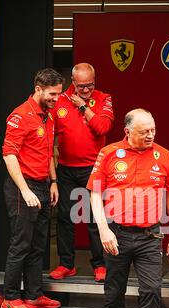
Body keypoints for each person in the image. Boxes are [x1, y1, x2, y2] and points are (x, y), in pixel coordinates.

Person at [87, 109, 169, 308]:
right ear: (128, 131)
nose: (150, 135)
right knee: (113, 291)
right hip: (116, 233)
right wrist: (104, 229)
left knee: (151, 290)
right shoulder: (108, 153)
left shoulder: (163, 155)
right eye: (144, 131)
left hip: (150, 237)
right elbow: (94, 194)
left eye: (152, 129)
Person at [1, 68, 64, 308]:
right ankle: (10, 297)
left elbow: (47, 151)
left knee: (39, 245)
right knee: (21, 244)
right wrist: (26, 190)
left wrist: (54, 181)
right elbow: (9, 154)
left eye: (58, 94)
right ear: (38, 88)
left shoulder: (49, 116)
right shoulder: (20, 115)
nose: (56, 99)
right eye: (52, 94)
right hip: (22, 188)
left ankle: (34, 294)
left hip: (43, 185)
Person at [49, 63, 114, 282]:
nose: (86, 90)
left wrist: (83, 106)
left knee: (94, 218)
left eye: (90, 85)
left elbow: (103, 128)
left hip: (93, 168)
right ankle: (66, 264)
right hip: (66, 168)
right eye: (82, 86)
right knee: (65, 218)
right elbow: (50, 133)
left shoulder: (104, 98)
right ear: (73, 82)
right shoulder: (59, 99)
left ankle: (99, 264)